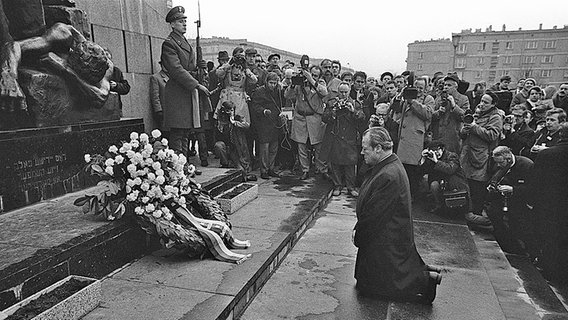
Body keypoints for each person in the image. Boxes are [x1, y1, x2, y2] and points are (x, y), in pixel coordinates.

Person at [354, 126, 442, 304]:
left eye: (365, 148)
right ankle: (424, 272)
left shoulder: (388, 175)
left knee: (377, 289)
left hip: (385, 241)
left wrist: (359, 234)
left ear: (378, 148)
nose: (362, 152)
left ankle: (426, 281)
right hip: (386, 237)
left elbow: (373, 217)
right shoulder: (388, 166)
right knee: (367, 285)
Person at [160, 6, 210, 161]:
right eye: (180, 22)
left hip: (185, 92)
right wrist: (196, 84)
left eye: (185, 21)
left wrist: (199, 68)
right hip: (177, 92)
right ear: (172, 24)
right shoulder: (169, 43)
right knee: (178, 132)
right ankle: (178, 167)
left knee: (186, 132)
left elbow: (188, 67)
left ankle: (184, 165)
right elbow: (176, 70)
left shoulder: (184, 42)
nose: (184, 24)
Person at [532, 122, 568, 284]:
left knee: (550, 236)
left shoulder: (547, 155)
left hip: (549, 204)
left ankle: (550, 271)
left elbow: (536, 182)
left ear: (560, 135)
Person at [460, 91, 502, 226]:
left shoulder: (495, 117)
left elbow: (492, 135)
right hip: (468, 154)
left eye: (486, 102)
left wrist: (474, 127)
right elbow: (464, 133)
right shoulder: (476, 114)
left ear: (493, 104)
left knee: (477, 188)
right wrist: (464, 130)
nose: (482, 104)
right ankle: (467, 215)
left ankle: (475, 218)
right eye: (482, 101)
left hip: (481, 157)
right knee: (467, 186)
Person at [485, 146, 534, 255]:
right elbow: (494, 177)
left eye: (500, 163)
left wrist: (513, 189)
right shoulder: (500, 164)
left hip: (520, 201)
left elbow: (533, 188)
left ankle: (524, 251)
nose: (498, 165)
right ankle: (507, 246)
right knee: (495, 216)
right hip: (502, 198)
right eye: (496, 162)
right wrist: (492, 186)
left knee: (517, 225)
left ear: (508, 159)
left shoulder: (526, 165)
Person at [285, 66, 329, 180]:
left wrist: (312, 80)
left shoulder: (319, 84)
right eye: (311, 74)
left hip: (314, 118)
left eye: (315, 75)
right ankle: (305, 170)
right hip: (301, 118)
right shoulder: (300, 84)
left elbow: (324, 93)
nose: (313, 76)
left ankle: (321, 169)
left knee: (318, 146)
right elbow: (287, 95)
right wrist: (293, 84)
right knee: (301, 146)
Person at [321, 82, 365, 197]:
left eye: (346, 92)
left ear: (349, 91)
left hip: (350, 137)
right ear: (338, 91)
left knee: (350, 163)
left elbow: (362, 117)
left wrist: (353, 111)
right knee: (335, 162)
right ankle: (337, 185)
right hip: (336, 136)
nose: (343, 94)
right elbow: (324, 118)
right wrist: (333, 112)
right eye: (341, 92)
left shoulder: (355, 103)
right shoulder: (331, 103)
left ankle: (350, 187)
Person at [396, 77, 434, 198]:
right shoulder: (405, 97)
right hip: (403, 139)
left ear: (426, 88)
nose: (418, 90)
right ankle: (401, 194)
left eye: (421, 88)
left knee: (412, 171)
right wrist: (400, 96)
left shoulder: (428, 99)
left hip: (415, 139)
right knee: (401, 169)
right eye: (416, 87)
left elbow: (428, 114)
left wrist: (413, 101)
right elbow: (396, 109)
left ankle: (411, 196)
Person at [251, 72, 285, 179]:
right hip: (264, 123)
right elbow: (255, 106)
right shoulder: (259, 91)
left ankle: (271, 168)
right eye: (271, 83)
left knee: (274, 147)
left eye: (275, 83)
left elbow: (281, 104)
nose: (273, 85)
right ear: (266, 82)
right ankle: (264, 170)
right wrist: (263, 111)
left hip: (275, 122)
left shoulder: (278, 92)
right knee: (264, 148)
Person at [420, 140, 469, 215]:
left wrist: (436, 161)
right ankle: (439, 205)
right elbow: (422, 172)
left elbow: (450, 169)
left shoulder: (452, 156)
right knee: (433, 184)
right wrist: (423, 159)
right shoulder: (431, 158)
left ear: (442, 149)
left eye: (437, 150)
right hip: (443, 185)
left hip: (456, 185)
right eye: (433, 151)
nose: (436, 153)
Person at [213, 100, 256, 181]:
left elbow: (247, 125)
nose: (230, 112)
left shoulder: (238, 118)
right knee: (218, 145)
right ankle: (225, 163)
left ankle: (242, 171)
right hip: (226, 147)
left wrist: (234, 122)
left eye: (232, 110)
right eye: (228, 110)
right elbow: (218, 136)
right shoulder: (220, 121)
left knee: (241, 171)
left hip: (237, 149)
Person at [431, 74, 469, 154]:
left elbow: (465, 118)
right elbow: (431, 117)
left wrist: (454, 106)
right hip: (438, 137)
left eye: (449, 85)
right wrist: (438, 112)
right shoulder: (438, 99)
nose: (446, 87)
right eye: (445, 85)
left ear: (456, 87)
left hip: (453, 138)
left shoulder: (463, 99)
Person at [103, 48, 130, 113]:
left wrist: (117, 85)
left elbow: (126, 88)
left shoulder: (116, 71)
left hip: (115, 107)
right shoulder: (95, 71)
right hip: (102, 107)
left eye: (109, 58)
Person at [150, 60, 169, 131]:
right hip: (164, 111)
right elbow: (155, 95)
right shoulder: (156, 77)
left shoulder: (174, 77)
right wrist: (158, 110)